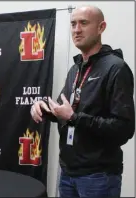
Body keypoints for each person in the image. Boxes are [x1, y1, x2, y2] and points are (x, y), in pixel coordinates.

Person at [30, 5, 135, 198]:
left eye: (84, 23)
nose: (77, 29)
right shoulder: (76, 69)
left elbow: (124, 129)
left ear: (101, 27)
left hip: (99, 176)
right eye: (73, 24)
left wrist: (75, 117)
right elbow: (64, 110)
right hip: (68, 173)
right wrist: (43, 108)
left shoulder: (116, 68)